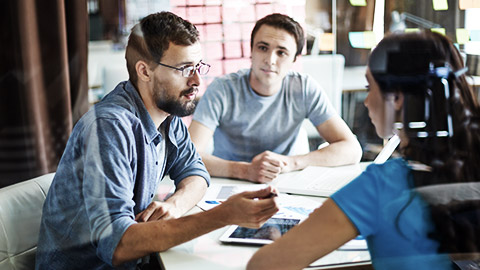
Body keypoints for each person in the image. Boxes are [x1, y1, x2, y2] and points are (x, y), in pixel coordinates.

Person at [35, 12, 279, 270]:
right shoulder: (109, 127)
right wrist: (225, 215)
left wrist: (175, 204)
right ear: (144, 71)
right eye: (185, 68)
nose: (197, 80)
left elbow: (195, 172)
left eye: (198, 67)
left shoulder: (167, 115)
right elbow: (118, 245)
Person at [247, 31, 480, 270]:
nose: (367, 101)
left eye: (370, 87)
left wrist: (277, 241)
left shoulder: (382, 185)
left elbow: (262, 266)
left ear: (396, 98)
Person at [188, 13, 362, 183]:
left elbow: (352, 149)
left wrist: (291, 163)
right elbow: (189, 156)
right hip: (229, 182)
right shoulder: (223, 89)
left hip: (286, 181)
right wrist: (246, 171)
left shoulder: (304, 88)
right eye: (263, 48)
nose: (270, 60)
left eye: (281, 52)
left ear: (294, 59)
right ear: (251, 51)